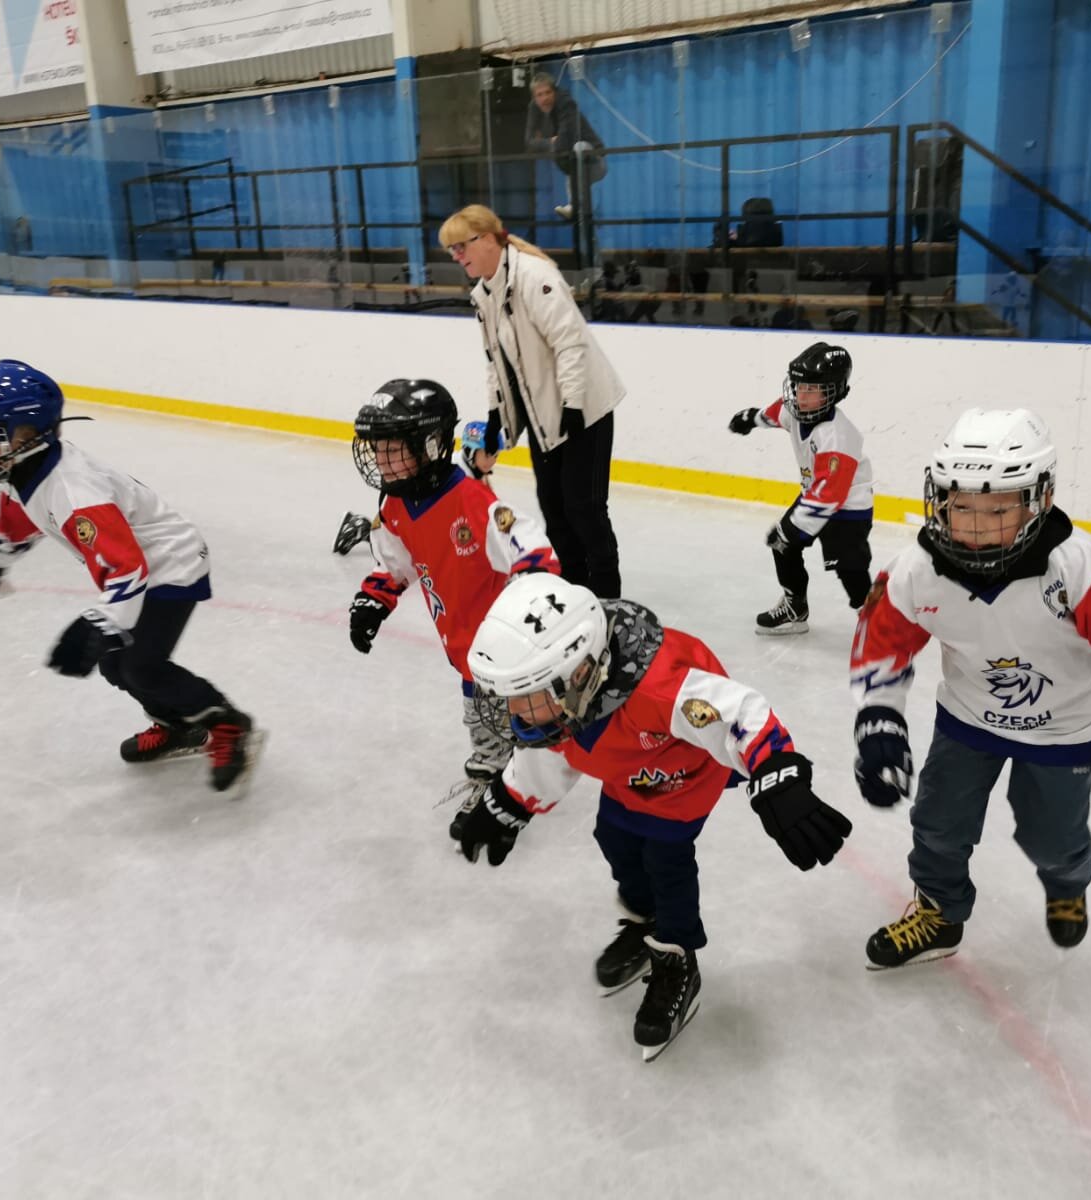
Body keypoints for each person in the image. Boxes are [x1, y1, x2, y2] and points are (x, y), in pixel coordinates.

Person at [457, 573, 853, 1060]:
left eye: (526, 695)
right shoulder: (562, 704)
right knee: (614, 838)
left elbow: (735, 711)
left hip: (681, 776)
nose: (514, 710)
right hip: (629, 771)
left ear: (578, 676)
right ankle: (645, 922)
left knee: (666, 860)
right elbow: (552, 753)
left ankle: (676, 956)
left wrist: (776, 772)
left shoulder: (659, 688)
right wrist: (508, 803)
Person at [849, 408, 1091, 968]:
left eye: (998, 509)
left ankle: (1067, 880)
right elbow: (880, 643)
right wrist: (878, 715)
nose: (975, 527)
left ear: (1037, 501)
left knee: (1053, 839)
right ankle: (939, 913)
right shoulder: (914, 570)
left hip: (1064, 731)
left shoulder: (1079, 565)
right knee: (937, 825)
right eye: (961, 507)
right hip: (967, 721)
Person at [0, 360, 258, 793]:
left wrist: (102, 622)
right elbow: (20, 518)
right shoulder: (26, 469)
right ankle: (180, 726)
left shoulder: (75, 491)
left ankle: (227, 724)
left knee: (142, 666)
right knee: (115, 664)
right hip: (139, 566)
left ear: (24, 433)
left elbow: (127, 568)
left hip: (171, 566)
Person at [344, 379, 557, 832]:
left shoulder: (470, 500)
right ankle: (502, 768)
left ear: (431, 445)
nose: (380, 459)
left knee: (503, 716)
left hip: (504, 642)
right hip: (462, 642)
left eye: (392, 449)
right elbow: (396, 561)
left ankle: (503, 787)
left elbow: (522, 536)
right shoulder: (395, 505)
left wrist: (534, 575)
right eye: (377, 449)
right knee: (485, 713)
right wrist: (373, 599)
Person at [441, 204, 626, 598]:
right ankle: (575, 589)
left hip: (583, 409)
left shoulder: (534, 277)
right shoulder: (485, 293)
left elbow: (570, 343)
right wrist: (496, 413)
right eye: (452, 250)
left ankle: (608, 596)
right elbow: (496, 360)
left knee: (585, 508)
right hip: (543, 416)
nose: (457, 256)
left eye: (460, 247)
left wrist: (572, 405)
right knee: (554, 510)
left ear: (486, 239)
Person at [728, 342, 874, 635]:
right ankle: (795, 607)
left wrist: (794, 528)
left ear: (833, 393)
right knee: (783, 546)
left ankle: (875, 620)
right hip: (816, 493)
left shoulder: (837, 437)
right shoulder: (795, 410)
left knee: (850, 568)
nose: (801, 396)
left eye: (812, 390)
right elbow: (775, 413)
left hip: (849, 507)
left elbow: (831, 495)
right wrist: (751, 418)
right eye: (799, 387)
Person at [332, 417, 504, 556]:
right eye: (488, 454)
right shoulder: (455, 471)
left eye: (495, 456)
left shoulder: (475, 472)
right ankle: (358, 527)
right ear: (470, 451)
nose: (492, 461)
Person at [524, 72, 607, 227]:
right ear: (534, 98)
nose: (544, 98)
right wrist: (549, 141)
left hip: (594, 162)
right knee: (573, 162)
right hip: (571, 166)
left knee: (578, 148)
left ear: (555, 92)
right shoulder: (534, 108)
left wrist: (546, 143)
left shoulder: (565, 103)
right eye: (539, 95)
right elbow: (529, 142)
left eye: (548, 92)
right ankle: (579, 212)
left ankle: (576, 207)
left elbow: (563, 141)